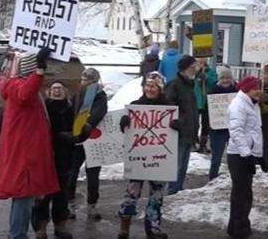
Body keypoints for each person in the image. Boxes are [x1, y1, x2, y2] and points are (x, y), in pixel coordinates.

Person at [0, 47, 59, 239]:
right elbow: (25, 93)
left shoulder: (23, 87)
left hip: (28, 153)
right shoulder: (18, 86)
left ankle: (17, 234)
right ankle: (17, 236)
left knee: (25, 197)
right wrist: (40, 70)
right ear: (32, 70)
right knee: (23, 197)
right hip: (24, 155)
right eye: (40, 70)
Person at [116, 72, 170, 239]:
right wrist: (123, 122)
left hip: (159, 159)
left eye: (153, 86)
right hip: (139, 158)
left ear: (160, 88)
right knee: (131, 193)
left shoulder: (169, 108)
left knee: (156, 195)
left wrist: (178, 125)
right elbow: (127, 131)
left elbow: (175, 133)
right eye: (146, 85)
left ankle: (153, 227)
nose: (149, 89)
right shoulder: (135, 105)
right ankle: (124, 227)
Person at [32, 81, 76, 239]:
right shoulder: (44, 109)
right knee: (43, 194)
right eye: (54, 88)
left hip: (65, 156)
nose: (57, 91)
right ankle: (40, 227)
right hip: (46, 155)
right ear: (49, 92)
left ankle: (60, 225)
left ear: (65, 91)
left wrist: (77, 135)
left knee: (61, 194)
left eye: (60, 88)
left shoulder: (71, 108)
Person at [226, 76, 268, 239]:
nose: (259, 91)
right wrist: (246, 154)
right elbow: (236, 131)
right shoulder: (239, 105)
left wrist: (259, 156)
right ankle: (239, 229)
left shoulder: (252, 104)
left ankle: (237, 227)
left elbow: (254, 132)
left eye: (259, 87)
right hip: (238, 155)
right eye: (256, 88)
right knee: (242, 194)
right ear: (247, 89)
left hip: (246, 154)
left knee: (243, 193)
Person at [67, 67, 108, 221]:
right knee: (72, 172)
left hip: (93, 140)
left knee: (93, 175)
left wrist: (84, 125)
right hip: (77, 139)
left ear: (94, 81)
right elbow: (69, 109)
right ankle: (69, 204)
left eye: (87, 80)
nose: (84, 82)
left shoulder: (99, 96)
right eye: (83, 79)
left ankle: (92, 205)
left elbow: (98, 113)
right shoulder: (78, 94)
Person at [165, 54, 198, 195]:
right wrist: (179, 122)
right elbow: (168, 107)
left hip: (189, 130)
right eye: (192, 67)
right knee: (176, 164)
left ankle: (178, 187)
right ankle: (172, 190)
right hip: (178, 131)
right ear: (184, 69)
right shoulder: (174, 85)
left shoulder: (189, 85)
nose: (195, 70)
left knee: (184, 164)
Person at [208, 66, 237, 180]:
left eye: (227, 78)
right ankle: (212, 177)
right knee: (216, 157)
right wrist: (206, 129)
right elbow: (207, 112)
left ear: (231, 78)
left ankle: (233, 177)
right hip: (217, 129)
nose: (225, 80)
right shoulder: (213, 91)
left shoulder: (237, 91)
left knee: (234, 156)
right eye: (223, 78)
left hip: (233, 128)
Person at [194, 58, 217, 154]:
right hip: (195, 100)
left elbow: (214, 82)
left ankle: (203, 144)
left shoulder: (210, 72)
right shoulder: (193, 72)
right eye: (198, 63)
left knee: (205, 124)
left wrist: (206, 77)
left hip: (206, 101)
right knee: (194, 123)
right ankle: (194, 142)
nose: (200, 65)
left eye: (202, 63)